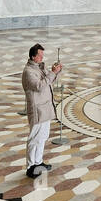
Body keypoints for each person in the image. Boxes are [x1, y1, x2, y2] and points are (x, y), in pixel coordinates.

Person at [21, 43, 62, 178]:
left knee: (42, 137)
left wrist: (55, 71)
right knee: (34, 138)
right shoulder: (29, 72)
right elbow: (39, 86)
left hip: (45, 109)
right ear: (33, 56)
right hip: (37, 110)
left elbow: (49, 81)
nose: (42, 57)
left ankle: (38, 162)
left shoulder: (39, 68)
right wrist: (52, 73)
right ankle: (31, 166)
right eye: (40, 55)